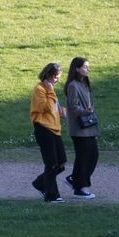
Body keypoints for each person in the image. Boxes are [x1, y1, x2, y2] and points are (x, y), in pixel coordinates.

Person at [30, 62, 67, 203]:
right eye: (56, 77)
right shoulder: (40, 89)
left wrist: (63, 112)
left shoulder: (50, 89)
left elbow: (53, 109)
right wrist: (50, 91)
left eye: (58, 77)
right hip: (44, 129)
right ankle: (51, 195)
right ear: (48, 75)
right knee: (51, 163)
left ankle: (40, 183)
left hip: (55, 130)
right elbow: (44, 107)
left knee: (61, 163)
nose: (57, 80)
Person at [63, 57, 99, 199]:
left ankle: (75, 179)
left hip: (88, 126)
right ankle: (80, 188)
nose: (87, 69)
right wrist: (86, 111)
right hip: (79, 128)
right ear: (77, 68)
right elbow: (73, 106)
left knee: (93, 155)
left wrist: (89, 110)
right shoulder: (73, 85)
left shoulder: (84, 84)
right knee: (83, 157)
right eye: (85, 67)